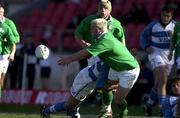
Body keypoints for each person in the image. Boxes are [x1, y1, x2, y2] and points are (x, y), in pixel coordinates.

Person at [40, 18, 139, 118]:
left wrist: (68, 59)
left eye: (92, 29)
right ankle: (47, 110)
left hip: (123, 71)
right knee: (69, 105)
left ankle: (108, 111)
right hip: (86, 79)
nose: (90, 31)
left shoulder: (105, 42)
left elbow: (85, 53)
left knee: (114, 96)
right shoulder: (102, 40)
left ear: (100, 30)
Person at [74, 0, 126, 117]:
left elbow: (122, 41)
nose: (103, 10)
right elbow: (78, 33)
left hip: (109, 57)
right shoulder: (90, 20)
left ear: (110, 10)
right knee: (90, 85)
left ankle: (106, 109)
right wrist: (83, 44)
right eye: (101, 7)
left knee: (107, 85)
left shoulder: (116, 24)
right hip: (93, 56)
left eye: (106, 8)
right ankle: (77, 107)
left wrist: (122, 54)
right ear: (98, 8)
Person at [140, 4, 176, 116]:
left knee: (159, 83)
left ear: (171, 17)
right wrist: (146, 46)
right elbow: (143, 36)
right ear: (161, 14)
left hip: (170, 57)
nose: (166, 18)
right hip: (155, 54)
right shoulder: (153, 25)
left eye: (168, 16)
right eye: (164, 15)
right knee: (163, 79)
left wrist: (174, 37)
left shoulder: (176, 26)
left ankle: (148, 105)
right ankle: (162, 109)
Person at [0, 4, 20, 97]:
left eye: (1, 12)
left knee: (2, 79)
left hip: (5, 55)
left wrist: (6, 39)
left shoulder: (9, 24)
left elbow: (17, 39)